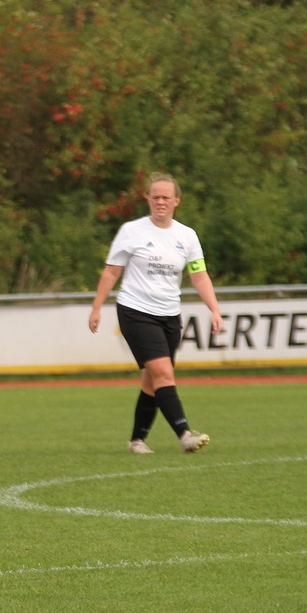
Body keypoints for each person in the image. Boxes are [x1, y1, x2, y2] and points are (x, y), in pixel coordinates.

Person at [88, 173, 222, 453]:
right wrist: (97, 307)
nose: (160, 201)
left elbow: (199, 276)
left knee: (152, 380)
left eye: (166, 197)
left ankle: (137, 440)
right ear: (147, 199)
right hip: (135, 310)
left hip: (170, 315)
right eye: (155, 196)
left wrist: (214, 308)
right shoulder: (131, 231)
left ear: (176, 201)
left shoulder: (187, 236)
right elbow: (112, 271)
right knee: (163, 373)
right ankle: (185, 434)